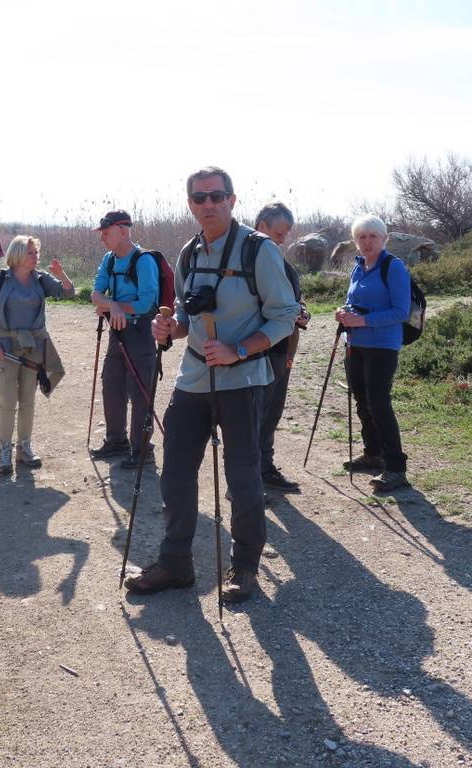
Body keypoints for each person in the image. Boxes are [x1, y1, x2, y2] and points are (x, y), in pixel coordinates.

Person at [125, 167, 298, 604]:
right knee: (176, 473)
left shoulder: (259, 251)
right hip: (194, 378)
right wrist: (169, 328)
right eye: (199, 198)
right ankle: (176, 563)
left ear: (232, 200)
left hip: (243, 379)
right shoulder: (188, 253)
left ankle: (244, 567)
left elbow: (284, 315)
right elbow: (185, 314)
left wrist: (240, 350)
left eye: (216, 196)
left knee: (242, 477)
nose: (208, 204)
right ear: (190, 204)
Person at [0, 235, 74, 474]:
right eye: (31, 253)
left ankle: (24, 448)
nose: (36, 257)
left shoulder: (41, 278)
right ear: (19, 254)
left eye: (36, 253)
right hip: (5, 348)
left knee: (28, 401)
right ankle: (4, 451)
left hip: (34, 349)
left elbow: (69, 294)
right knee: (8, 400)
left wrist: (61, 274)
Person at [335, 213, 411, 492]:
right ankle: (373, 453)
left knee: (379, 403)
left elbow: (401, 312)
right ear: (356, 242)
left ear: (384, 239)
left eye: (372, 236)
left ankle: (396, 467)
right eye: (361, 237)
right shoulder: (359, 267)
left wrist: (364, 320)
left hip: (382, 345)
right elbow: (352, 299)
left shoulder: (393, 267)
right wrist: (344, 312)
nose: (367, 242)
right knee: (362, 401)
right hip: (356, 344)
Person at [88, 210, 161, 469]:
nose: (103, 239)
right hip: (117, 331)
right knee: (112, 386)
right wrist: (112, 306)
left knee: (141, 392)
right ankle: (116, 442)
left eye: (106, 233)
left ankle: (142, 450)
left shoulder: (144, 261)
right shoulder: (109, 260)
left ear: (123, 230)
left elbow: (147, 302)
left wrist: (114, 306)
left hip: (141, 332)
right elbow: (95, 295)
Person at [253, 202, 311, 493]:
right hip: (259, 351)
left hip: (282, 349)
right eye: (279, 232)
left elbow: (293, 301)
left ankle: (264, 469)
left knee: (272, 413)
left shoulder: (279, 260)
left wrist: (302, 313)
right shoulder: (250, 258)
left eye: (287, 233)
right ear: (262, 226)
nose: (283, 238)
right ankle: (246, 482)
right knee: (255, 416)